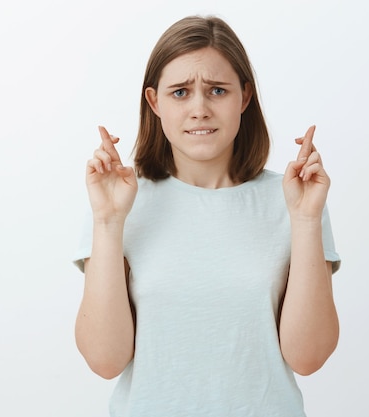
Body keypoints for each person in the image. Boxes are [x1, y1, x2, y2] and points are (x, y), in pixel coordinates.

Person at [72, 15, 341, 417]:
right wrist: (108, 223)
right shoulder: (120, 202)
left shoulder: (295, 199)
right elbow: (105, 361)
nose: (199, 109)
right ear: (154, 102)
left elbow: (308, 357)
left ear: (244, 98)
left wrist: (305, 222)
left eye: (217, 90)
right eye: (180, 92)